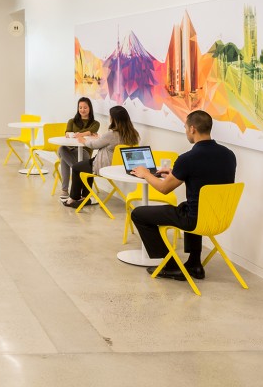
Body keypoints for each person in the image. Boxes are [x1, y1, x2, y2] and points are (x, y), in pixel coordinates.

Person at [130, 110, 236, 281]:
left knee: (139, 214)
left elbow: (164, 189)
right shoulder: (229, 155)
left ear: (192, 129)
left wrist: (145, 174)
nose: (186, 131)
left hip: (194, 220)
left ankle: (171, 266)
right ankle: (195, 264)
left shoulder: (188, 158)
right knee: (191, 205)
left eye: (186, 127)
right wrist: (175, 173)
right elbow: (205, 176)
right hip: (218, 217)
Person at [63, 105, 140, 207]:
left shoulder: (112, 134)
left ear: (114, 119)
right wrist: (99, 138)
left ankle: (73, 198)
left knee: (77, 167)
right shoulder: (133, 134)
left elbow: (94, 146)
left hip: (105, 166)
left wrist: (84, 140)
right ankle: (85, 198)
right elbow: (106, 144)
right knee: (87, 165)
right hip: (121, 167)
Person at [57, 97, 101, 197]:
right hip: (71, 149)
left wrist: (80, 134)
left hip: (85, 152)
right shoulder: (71, 121)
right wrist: (73, 134)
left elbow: (90, 131)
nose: (82, 110)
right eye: (80, 107)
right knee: (61, 149)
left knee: (64, 159)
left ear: (90, 108)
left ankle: (64, 190)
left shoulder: (95, 123)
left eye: (85, 107)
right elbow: (67, 132)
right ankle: (79, 171)